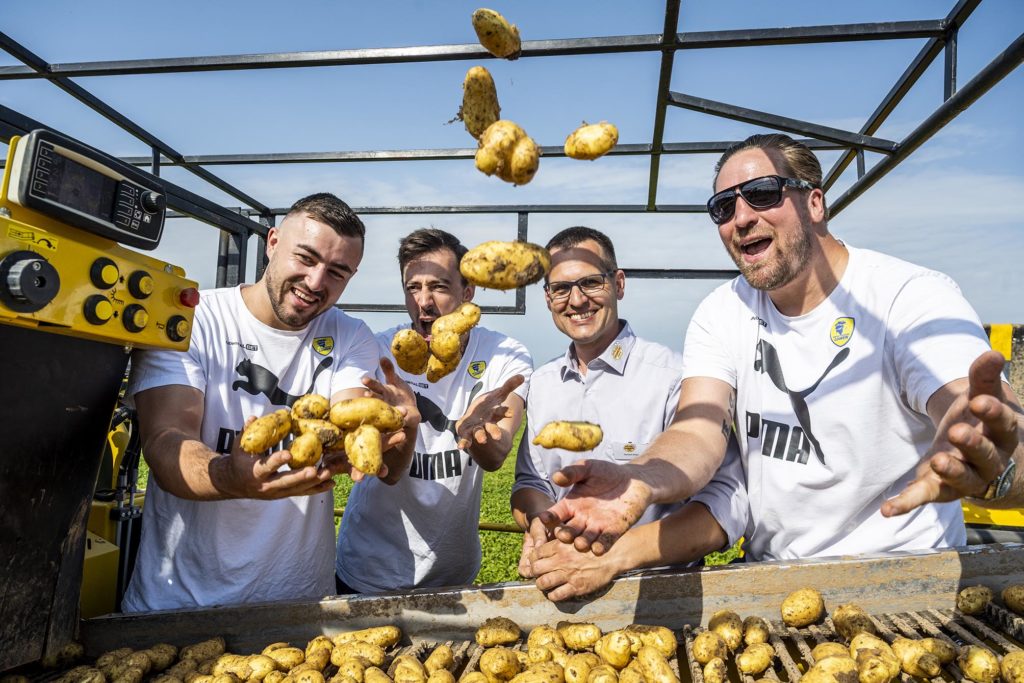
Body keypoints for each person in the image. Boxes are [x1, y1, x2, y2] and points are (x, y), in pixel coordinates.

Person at [535, 134, 1023, 569]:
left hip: (903, 575)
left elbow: (975, 413)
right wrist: (639, 481)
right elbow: (697, 432)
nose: (742, 218)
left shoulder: (906, 297)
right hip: (773, 580)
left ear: (815, 203)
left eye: (763, 194)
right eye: (723, 208)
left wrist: (996, 462)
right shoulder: (722, 311)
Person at [123, 193, 417, 612]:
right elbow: (166, 440)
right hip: (177, 603)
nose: (316, 283)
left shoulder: (351, 336)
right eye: (306, 258)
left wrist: (396, 429)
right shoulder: (195, 318)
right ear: (273, 241)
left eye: (337, 272)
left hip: (300, 606)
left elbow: (355, 425)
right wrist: (229, 475)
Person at [513, 226, 747, 601]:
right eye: (561, 288)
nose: (576, 300)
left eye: (590, 283)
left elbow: (728, 499)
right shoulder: (541, 384)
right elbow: (532, 482)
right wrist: (542, 522)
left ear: (618, 284)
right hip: (565, 595)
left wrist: (615, 558)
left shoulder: (674, 377)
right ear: (547, 298)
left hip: (661, 597)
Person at [335, 228, 532, 593]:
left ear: (467, 292)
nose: (424, 302)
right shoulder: (378, 351)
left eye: (439, 287)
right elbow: (385, 471)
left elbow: (496, 455)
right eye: (413, 287)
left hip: (452, 574)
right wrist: (403, 427)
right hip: (367, 570)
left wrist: (473, 433)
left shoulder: (504, 355)